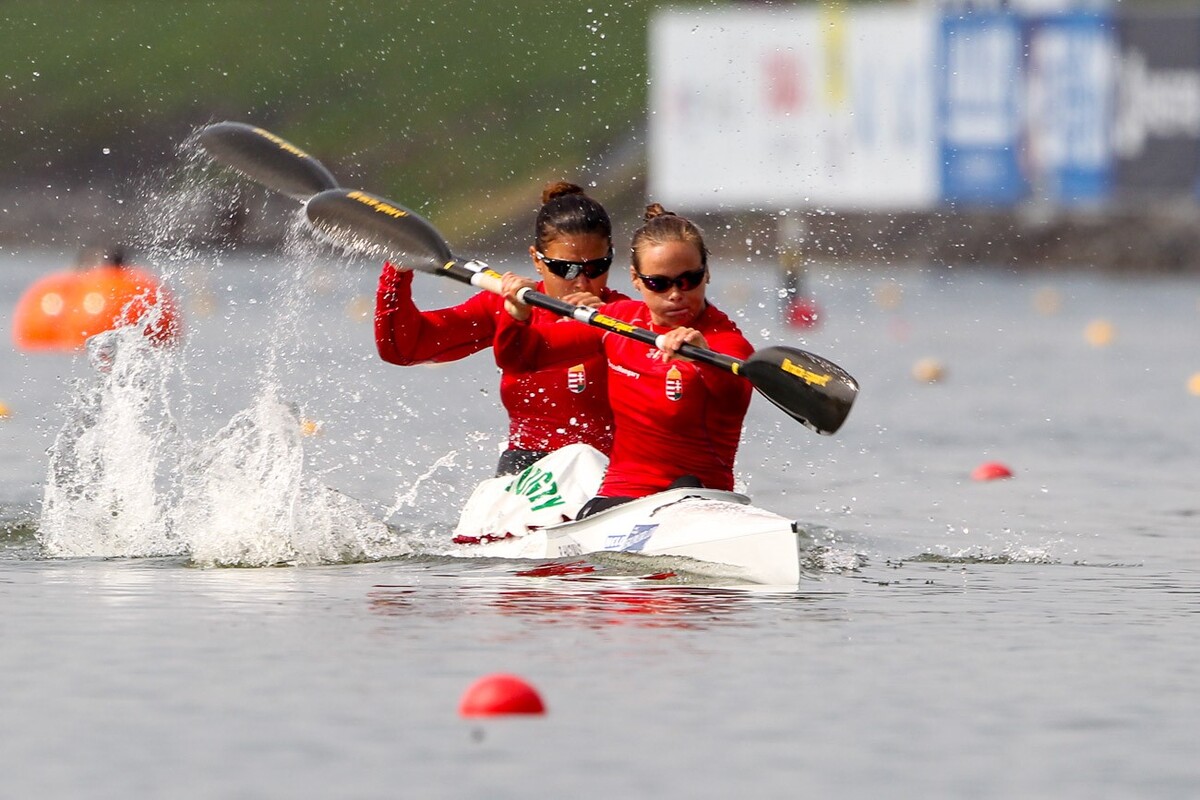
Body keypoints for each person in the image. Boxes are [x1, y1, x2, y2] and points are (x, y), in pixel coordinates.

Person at [495, 204, 754, 517]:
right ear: (635, 278)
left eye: (688, 280)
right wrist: (516, 315)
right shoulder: (617, 322)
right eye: (659, 283)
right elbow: (523, 359)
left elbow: (733, 392)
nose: (675, 295)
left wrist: (703, 357)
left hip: (696, 496)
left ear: (706, 272)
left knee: (685, 489)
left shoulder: (725, 342)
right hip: (620, 496)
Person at [374, 182, 627, 476]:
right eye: (566, 269)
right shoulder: (505, 305)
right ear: (536, 260)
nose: (583, 283)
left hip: (610, 473)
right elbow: (405, 348)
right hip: (527, 468)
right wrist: (397, 272)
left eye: (597, 267)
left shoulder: (627, 318)